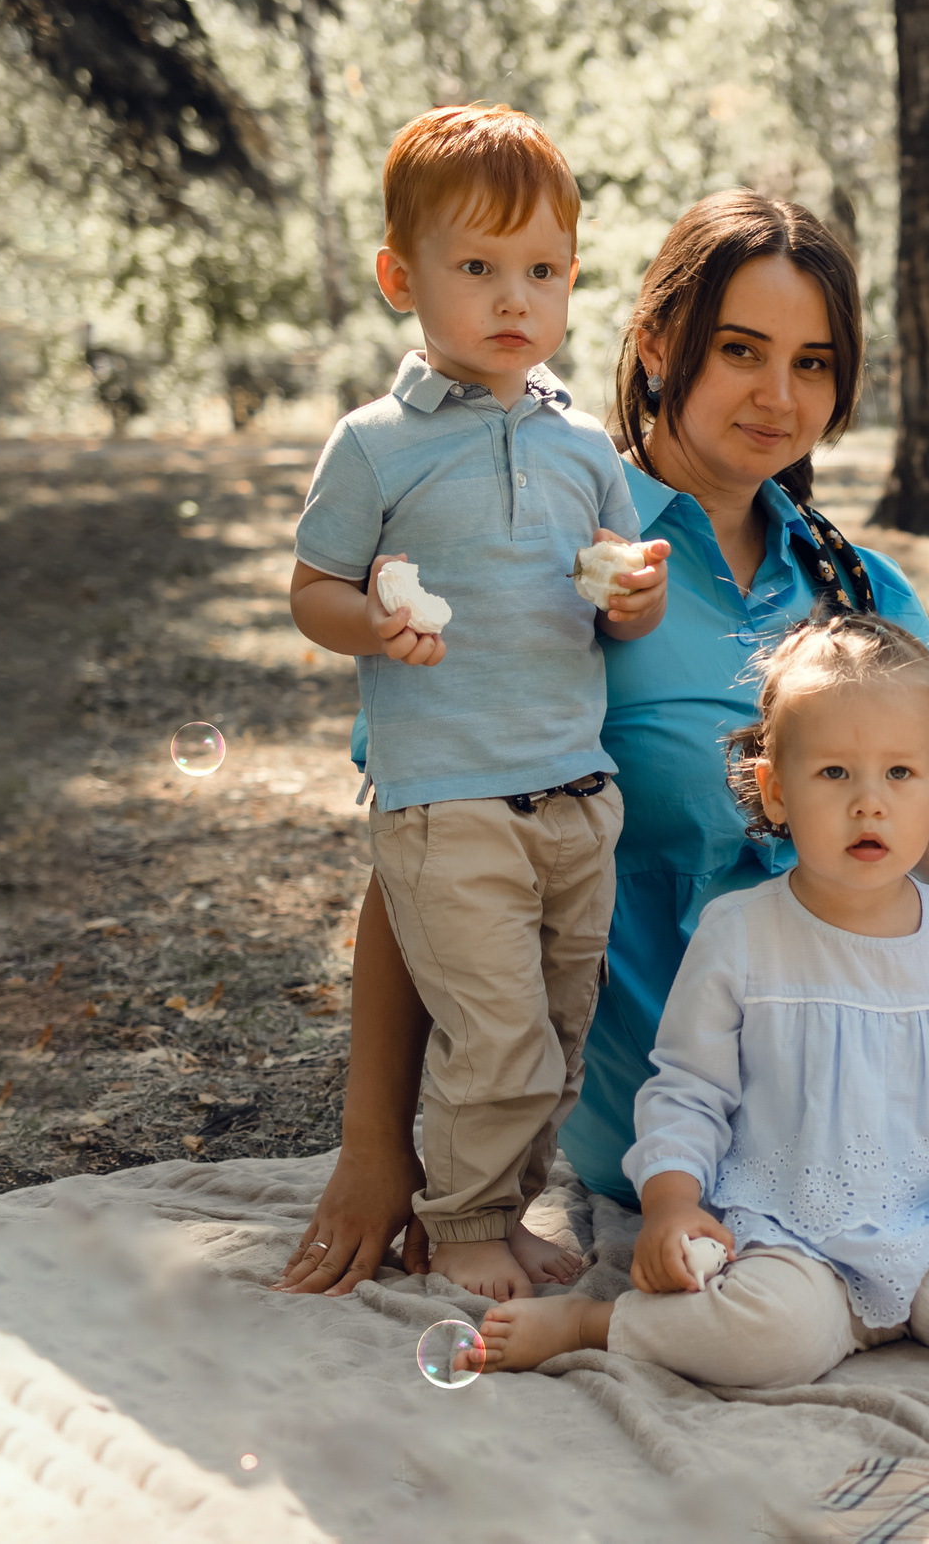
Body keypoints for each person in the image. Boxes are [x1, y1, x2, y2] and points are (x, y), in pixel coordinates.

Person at [278, 190, 929, 1297]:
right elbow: (425, 851)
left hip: (872, 1018)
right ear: (656, 345)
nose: (777, 396)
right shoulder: (548, 560)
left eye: (811, 363)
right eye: (741, 351)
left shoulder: (856, 589)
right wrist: (376, 1148)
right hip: (686, 1091)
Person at [473, 614, 929, 1381]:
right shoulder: (739, 934)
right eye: (834, 773)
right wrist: (670, 1202)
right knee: (772, 1338)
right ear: (776, 789)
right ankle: (597, 1324)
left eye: (900, 773)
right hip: (783, 1236)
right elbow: (688, 1093)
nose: (870, 802)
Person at [287, 105, 672, 1301]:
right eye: (478, 268)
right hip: (446, 796)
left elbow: (614, 600)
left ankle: (497, 1209)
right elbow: (312, 591)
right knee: (493, 1034)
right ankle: (455, 1224)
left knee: (553, 1035)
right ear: (402, 278)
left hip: (573, 789)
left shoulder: (583, 449)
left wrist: (634, 600)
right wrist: (374, 624)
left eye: (544, 271)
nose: (517, 299)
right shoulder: (374, 446)